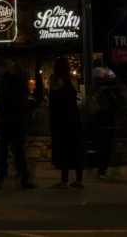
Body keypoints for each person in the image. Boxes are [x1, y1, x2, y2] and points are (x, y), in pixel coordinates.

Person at [0, 60, 35, 189]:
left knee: (3, 151)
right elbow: (24, 98)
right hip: (16, 119)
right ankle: (23, 179)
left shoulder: (1, 83)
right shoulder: (18, 81)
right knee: (19, 152)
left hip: (5, 119)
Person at [49, 57, 84, 188]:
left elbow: (54, 99)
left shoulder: (57, 80)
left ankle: (65, 180)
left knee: (63, 149)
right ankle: (79, 179)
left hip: (61, 120)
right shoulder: (71, 80)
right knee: (75, 148)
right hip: (74, 119)